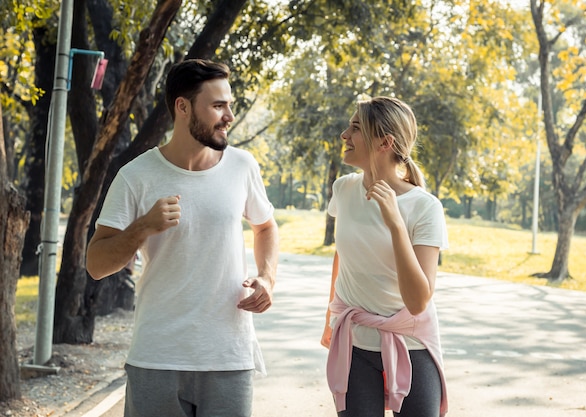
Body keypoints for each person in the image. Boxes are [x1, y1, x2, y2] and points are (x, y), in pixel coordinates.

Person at [86, 59, 279, 417]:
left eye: (229, 105)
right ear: (183, 107)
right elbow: (96, 264)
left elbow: (266, 227)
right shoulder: (136, 175)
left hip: (227, 356)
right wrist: (142, 227)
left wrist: (267, 277)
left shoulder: (242, 166)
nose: (229, 115)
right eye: (218, 105)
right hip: (157, 356)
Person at [322, 96, 448, 417]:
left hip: (411, 345)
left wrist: (394, 222)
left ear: (384, 142)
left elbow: (418, 300)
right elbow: (344, 255)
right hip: (354, 343)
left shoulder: (424, 207)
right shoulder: (343, 189)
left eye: (354, 128)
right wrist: (330, 317)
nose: (344, 136)